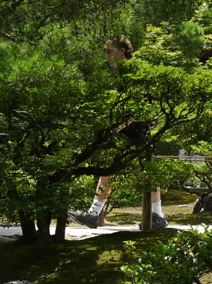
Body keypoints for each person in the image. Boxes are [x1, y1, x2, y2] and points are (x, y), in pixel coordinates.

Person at [69, 37, 169, 230]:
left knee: (147, 172)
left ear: (122, 51)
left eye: (109, 51)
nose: (106, 55)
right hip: (120, 130)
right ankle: (93, 214)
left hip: (137, 131)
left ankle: (157, 216)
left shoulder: (135, 71)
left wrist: (119, 126)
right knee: (108, 170)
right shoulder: (111, 73)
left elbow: (140, 105)